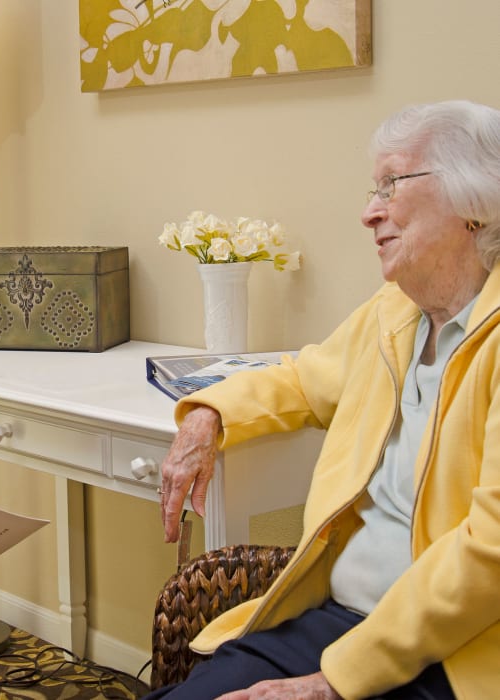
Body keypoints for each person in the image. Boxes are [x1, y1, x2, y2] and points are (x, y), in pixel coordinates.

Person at [151, 99, 500, 700]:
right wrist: (207, 415)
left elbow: (489, 555)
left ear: (473, 204)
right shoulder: (395, 313)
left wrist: (328, 684)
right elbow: (302, 379)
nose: (369, 213)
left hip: (457, 655)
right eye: (373, 189)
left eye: (391, 184)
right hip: (335, 619)